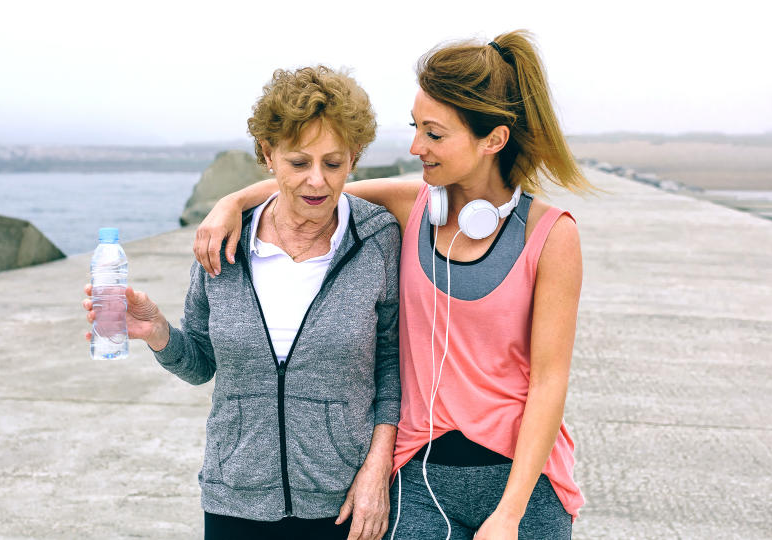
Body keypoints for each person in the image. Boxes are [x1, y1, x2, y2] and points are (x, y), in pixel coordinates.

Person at [194, 30, 590, 539]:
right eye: (415, 127)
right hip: (420, 479)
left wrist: (510, 514)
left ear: (493, 139)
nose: (414, 146)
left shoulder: (551, 234)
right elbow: (315, 184)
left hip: (522, 484)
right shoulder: (412, 205)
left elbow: (549, 381)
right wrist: (231, 203)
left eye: (434, 133)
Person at [83, 65, 402, 540]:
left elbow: (393, 368)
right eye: (299, 163)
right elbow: (200, 364)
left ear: (354, 158)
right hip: (235, 497)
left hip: (344, 503)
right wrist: (158, 332)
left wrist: (378, 472)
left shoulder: (377, 241)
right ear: (268, 155)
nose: (317, 182)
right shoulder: (223, 242)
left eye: (333, 164)